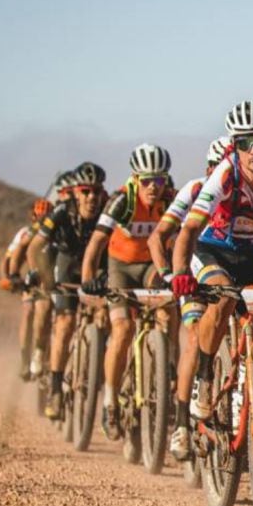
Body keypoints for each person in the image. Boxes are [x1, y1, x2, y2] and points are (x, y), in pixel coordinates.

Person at [169, 102, 253, 458]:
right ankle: (203, 378)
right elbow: (188, 229)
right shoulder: (224, 174)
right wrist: (179, 275)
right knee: (223, 300)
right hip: (214, 251)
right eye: (247, 142)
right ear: (235, 146)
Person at [81, 144, 174, 439]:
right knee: (122, 328)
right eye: (147, 180)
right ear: (135, 179)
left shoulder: (169, 199)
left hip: (149, 267)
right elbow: (96, 243)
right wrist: (88, 280)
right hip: (120, 267)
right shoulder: (122, 201)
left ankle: (165, 375)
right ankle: (109, 402)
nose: (153, 187)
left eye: (159, 180)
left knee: (168, 313)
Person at [147, 136, 229, 460]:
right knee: (194, 336)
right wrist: (170, 274)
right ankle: (181, 423)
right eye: (214, 168)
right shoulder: (196, 190)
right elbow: (160, 236)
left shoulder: (251, 189)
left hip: (231, 268)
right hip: (194, 270)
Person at [25, 163, 106, 419]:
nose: (91, 197)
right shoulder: (60, 212)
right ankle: (57, 389)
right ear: (75, 193)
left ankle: (100, 377)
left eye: (96, 191)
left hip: (96, 266)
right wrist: (39, 273)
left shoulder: (107, 211)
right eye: (85, 191)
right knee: (65, 322)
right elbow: (35, 247)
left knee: (107, 318)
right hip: (67, 263)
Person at [0, 199, 53, 380]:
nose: (43, 219)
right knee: (29, 310)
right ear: (33, 216)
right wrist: (11, 277)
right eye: (39, 215)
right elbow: (9, 258)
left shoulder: (57, 228)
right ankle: (25, 359)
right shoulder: (26, 233)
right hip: (33, 281)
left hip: (54, 280)